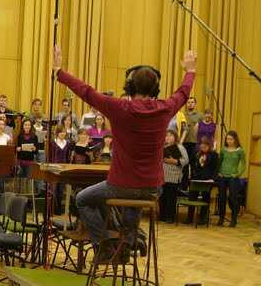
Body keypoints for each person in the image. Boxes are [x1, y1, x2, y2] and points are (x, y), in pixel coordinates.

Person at [53, 44, 197, 248]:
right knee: (133, 198)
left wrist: (59, 71)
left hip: (121, 185)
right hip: (153, 188)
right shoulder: (164, 108)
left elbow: (86, 92)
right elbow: (183, 93)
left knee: (83, 199)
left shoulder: (119, 107)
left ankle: (106, 245)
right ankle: (127, 242)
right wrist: (190, 71)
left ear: (129, 87)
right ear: (155, 89)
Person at [186, 137, 218, 225]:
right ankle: (189, 218)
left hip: (208, 180)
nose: (203, 146)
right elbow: (192, 166)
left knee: (205, 197)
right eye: (201, 144)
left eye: (205, 144)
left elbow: (216, 168)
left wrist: (213, 179)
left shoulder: (214, 155)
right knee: (192, 196)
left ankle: (202, 218)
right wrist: (192, 177)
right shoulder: (196, 154)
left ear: (209, 145)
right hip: (196, 179)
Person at [217, 130, 246, 227]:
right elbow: (219, 162)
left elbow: (243, 164)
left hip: (233, 178)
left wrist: (237, 174)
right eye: (227, 139)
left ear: (235, 140)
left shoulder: (240, 151)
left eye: (231, 139)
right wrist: (219, 172)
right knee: (221, 198)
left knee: (233, 198)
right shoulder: (223, 150)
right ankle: (221, 219)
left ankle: (234, 219)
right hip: (222, 177)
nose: (229, 141)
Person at [159, 130, 188, 223]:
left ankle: (170, 217)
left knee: (171, 197)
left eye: (171, 136)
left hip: (174, 176)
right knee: (162, 197)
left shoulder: (180, 147)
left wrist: (174, 161)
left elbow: (186, 160)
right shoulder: (162, 147)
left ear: (175, 137)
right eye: (166, 136)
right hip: (162, 176)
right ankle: (162, 216)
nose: (168, 137)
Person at [50, 125, 71, 214]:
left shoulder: (67, 143)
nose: (62, 134)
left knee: (61, 190)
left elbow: (67, 156)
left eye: (64, 132)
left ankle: (58, 209)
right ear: (57, 133)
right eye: (61, 132)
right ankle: (52, 209)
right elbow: (50, 156)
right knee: (53, 189)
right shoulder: (52, 143)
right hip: (54, 168)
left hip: (63, 168)